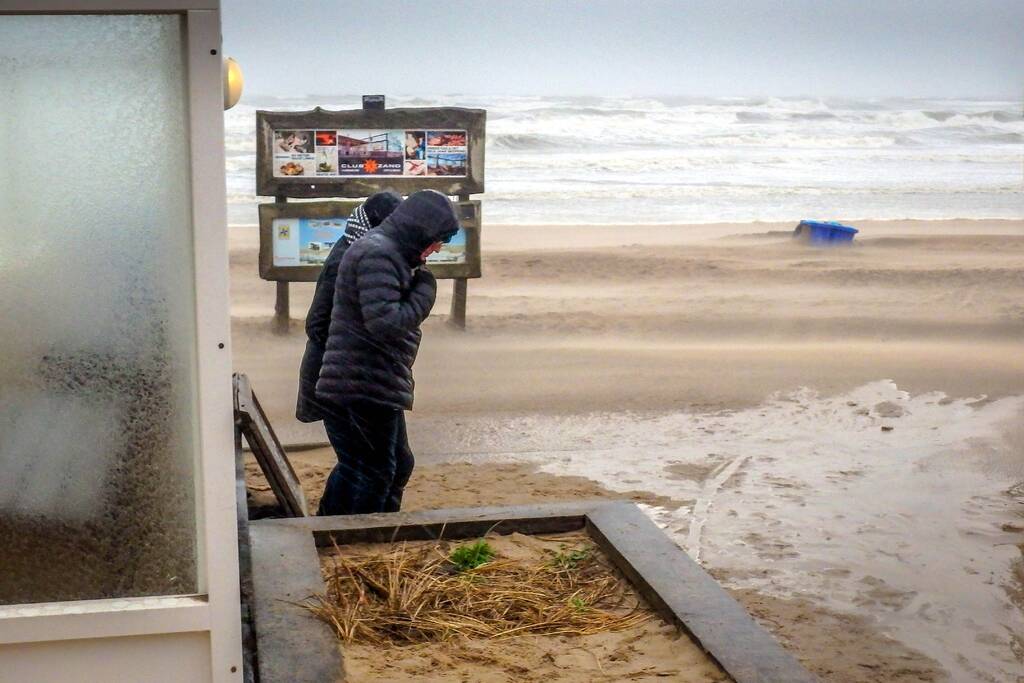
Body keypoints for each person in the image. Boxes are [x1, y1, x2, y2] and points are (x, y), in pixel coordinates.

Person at [314, 189, 459, 516]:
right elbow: (386, 323)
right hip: (361, 380)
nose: (437, 249)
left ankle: (335, 528)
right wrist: (426, 291)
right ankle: (363, 539)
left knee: (385, 464)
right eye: (438, 240)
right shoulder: (379, 254)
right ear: (420, 229)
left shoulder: (389, 251)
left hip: (369, 378)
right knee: (374, 469)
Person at [296, 190, 403, 424]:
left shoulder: (361, 247)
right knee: (365, 459)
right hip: (341, 380)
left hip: (359, 377)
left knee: (395, 458)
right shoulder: (348, 258)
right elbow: (317, 324)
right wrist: (355, 354)